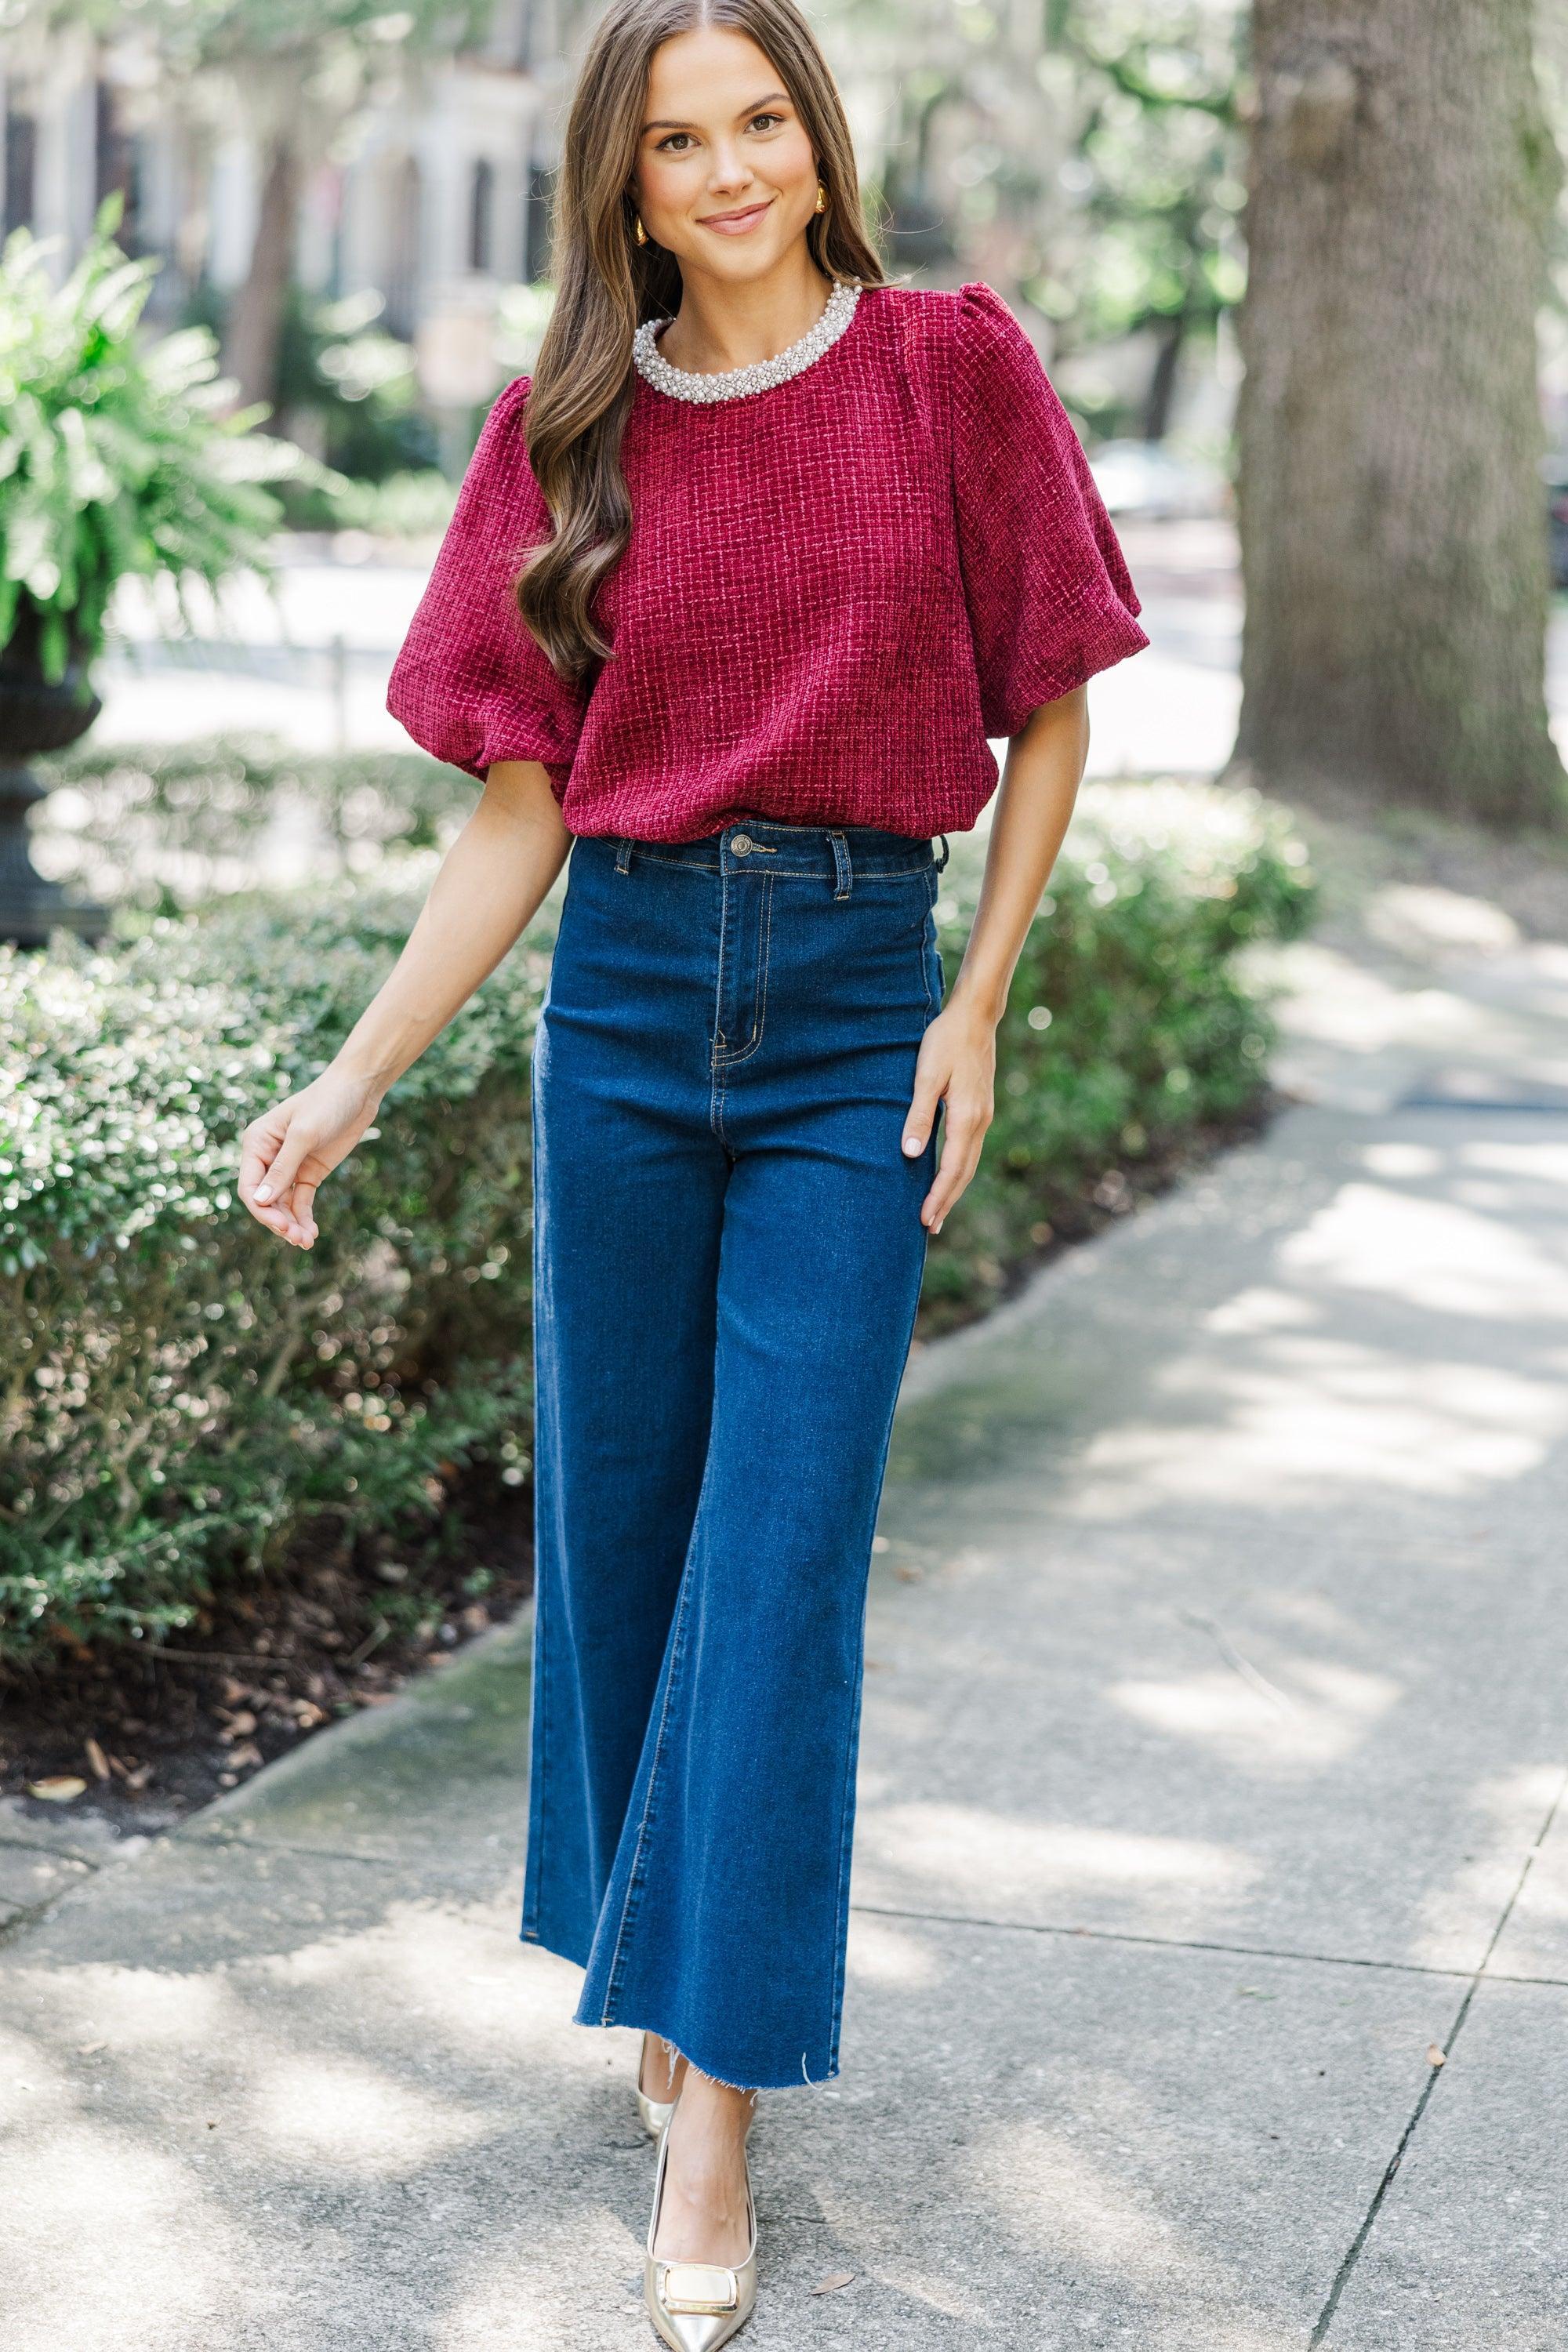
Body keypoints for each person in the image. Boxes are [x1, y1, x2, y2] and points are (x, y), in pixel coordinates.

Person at [238, 1, 1148, 2340]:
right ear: (622, 187)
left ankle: (715, 2093)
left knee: (780, 1551)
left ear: (816, 139)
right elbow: (521, 805)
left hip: (860, 1007)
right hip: (628, 1012)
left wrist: (976, 1001)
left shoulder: (953, 365)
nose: (731, 172)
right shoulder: (570, 432)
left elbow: (1049, 693)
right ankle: (661, 1973)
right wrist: (351, 1079)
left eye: (761, 123)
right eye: (679, 143)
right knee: (629, 1519)